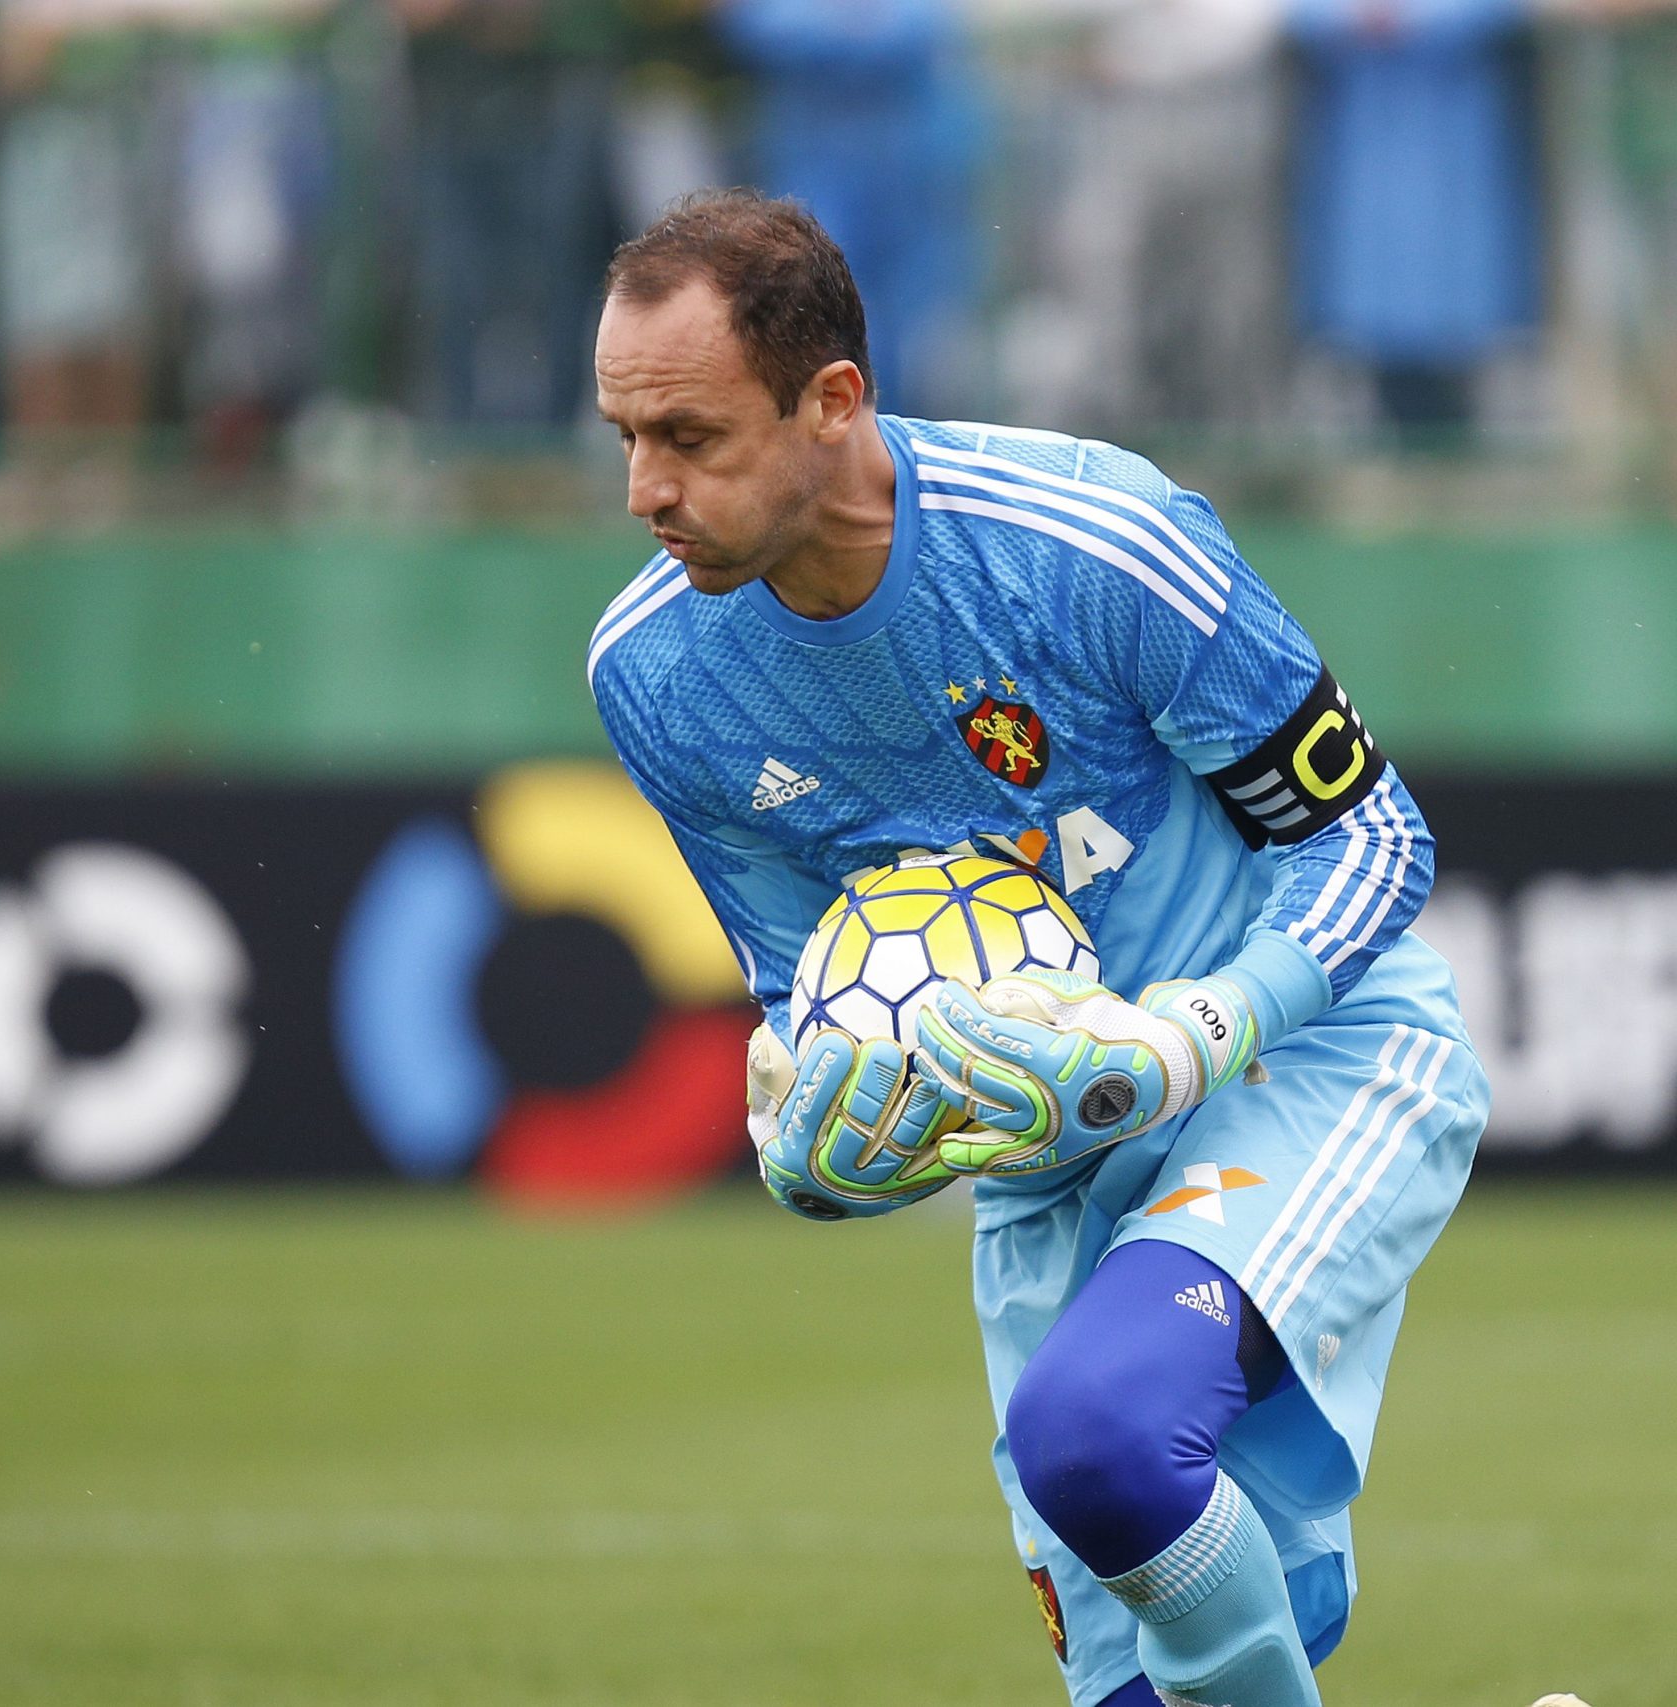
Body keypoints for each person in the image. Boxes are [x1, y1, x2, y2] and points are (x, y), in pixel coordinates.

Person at [583, 190, 1548, 1707]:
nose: (645, 487)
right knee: (1153, 1685)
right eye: (624, 437)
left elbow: (1374, 841)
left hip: (1295, 1068)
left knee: (1100, 1437)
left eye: (690, 437)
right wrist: (814, 1147)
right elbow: (807, 1010)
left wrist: (1190, 1037)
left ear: (833, 401)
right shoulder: (657, 680)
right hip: (1046, 1185)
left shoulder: (1091, 543)